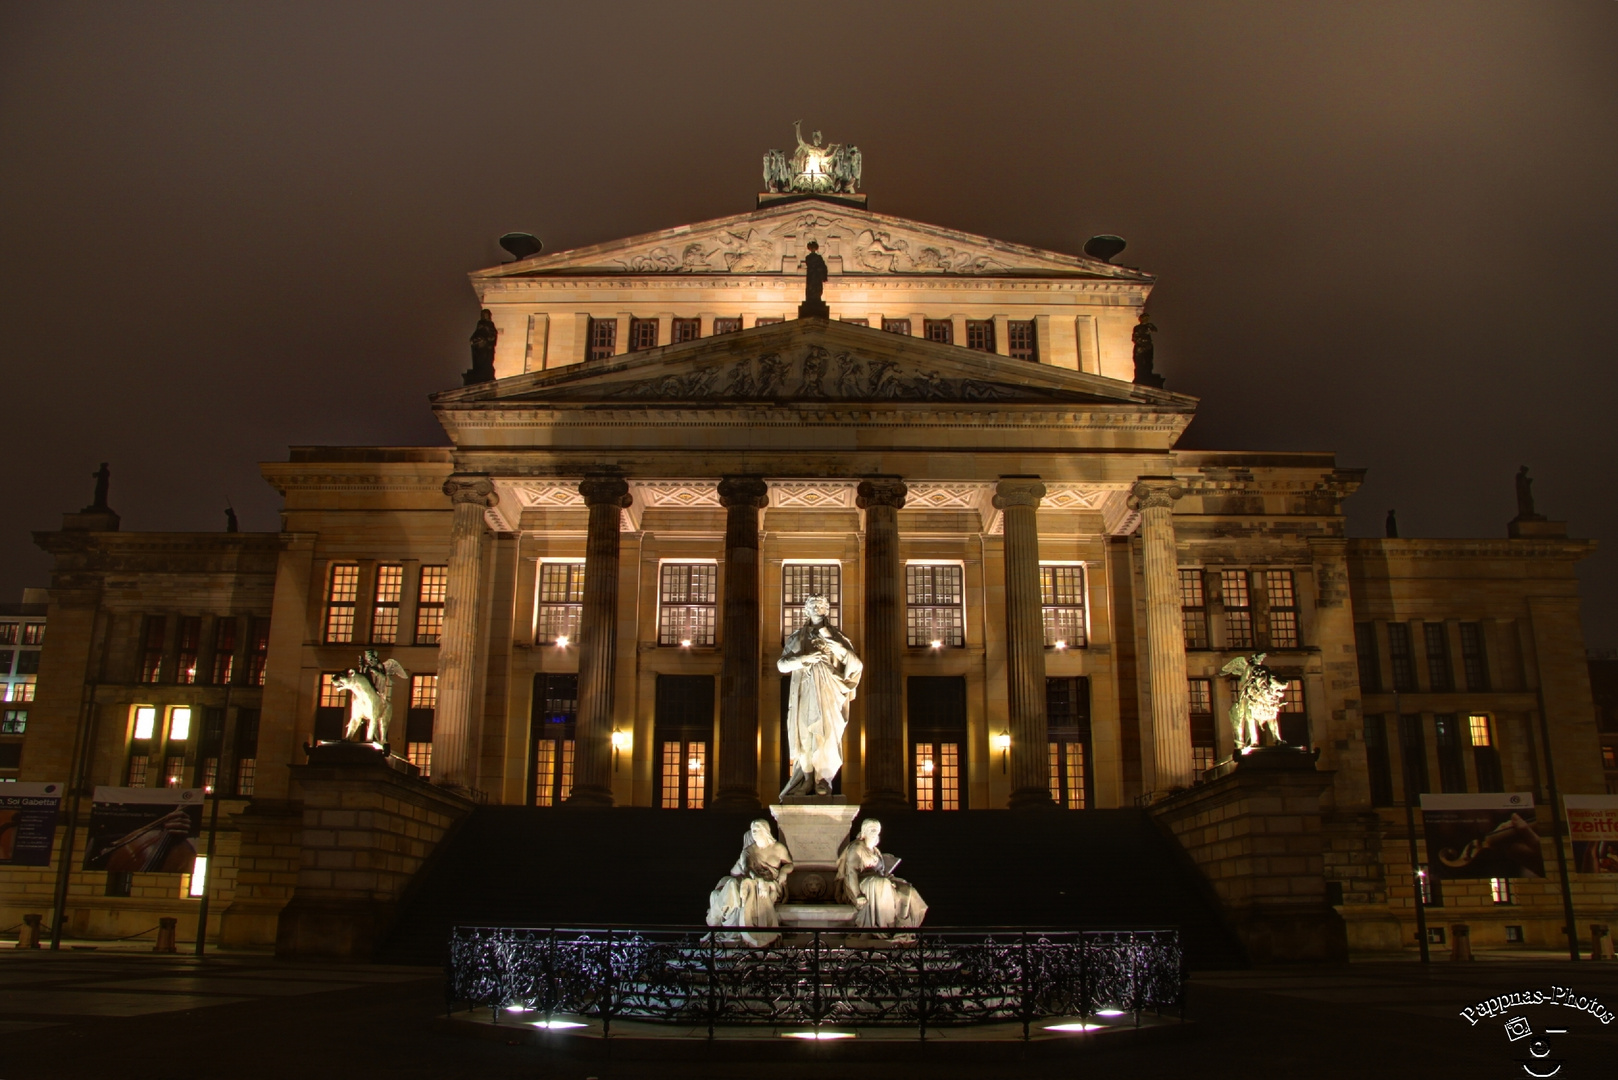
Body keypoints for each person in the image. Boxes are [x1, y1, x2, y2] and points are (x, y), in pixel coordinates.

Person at [777, 595, 862, 798]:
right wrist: (803, 658)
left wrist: (835, 645)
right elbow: (781, 665)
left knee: (827, 736)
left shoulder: (838, 637)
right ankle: (806, 779)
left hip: (829, 692)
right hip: (805, 691)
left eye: (820, 605)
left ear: (827, 610)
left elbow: (856, 664)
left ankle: (823, 779)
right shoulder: (796, 637)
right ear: (806, 610)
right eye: (812, 605)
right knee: (805, 735)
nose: (816, 608)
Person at [706, 819, 794, 946]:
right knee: (731, 884)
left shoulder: (778, 848)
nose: (754, 833)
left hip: (772, 884)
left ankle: (717, 918)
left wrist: (784, 872)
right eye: (753, 830)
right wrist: (758, 879)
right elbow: (748, 869)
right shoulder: (749, 850)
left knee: (736, 886)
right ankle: (718, 918)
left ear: (765, 830)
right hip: (753, 880)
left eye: (757, 830)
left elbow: (789, 864)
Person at [836, 818, 927, 929]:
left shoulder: (876, 851)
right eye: (871, 829)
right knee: (882, 884)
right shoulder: (857, 848)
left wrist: (891, 878)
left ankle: (904, 928)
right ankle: (885, 927)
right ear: (864, 831)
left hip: (877, 879)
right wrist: (857, 895)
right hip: (861, 883)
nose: (874, 832)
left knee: (907, 889)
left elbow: (881, 872)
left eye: (876, 830)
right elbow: (851, 873)